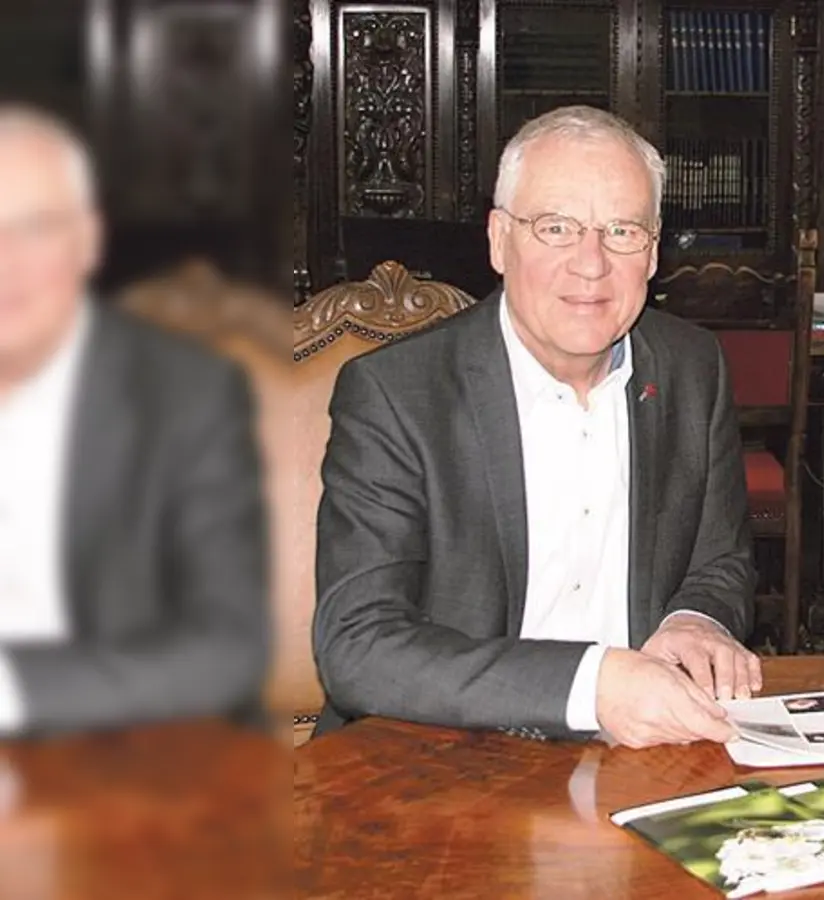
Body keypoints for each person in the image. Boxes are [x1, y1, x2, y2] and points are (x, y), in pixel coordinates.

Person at [313, 106, 760, 748]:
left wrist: (696, 619)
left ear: (654, 251)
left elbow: (718, 560)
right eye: (556, 228)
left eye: (622, 231)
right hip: (442, 758)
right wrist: (591, 686)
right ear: (499, 241)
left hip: (645, 754)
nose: (591, 263)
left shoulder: (693, 366)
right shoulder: (397, 395)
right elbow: (358, 645)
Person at [0, 105, 268, 736]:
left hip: (124, 760)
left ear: (88, 240)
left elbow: (227, 646)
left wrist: (13, 690)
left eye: (33, 228)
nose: (4, 260)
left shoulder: (185, 395)